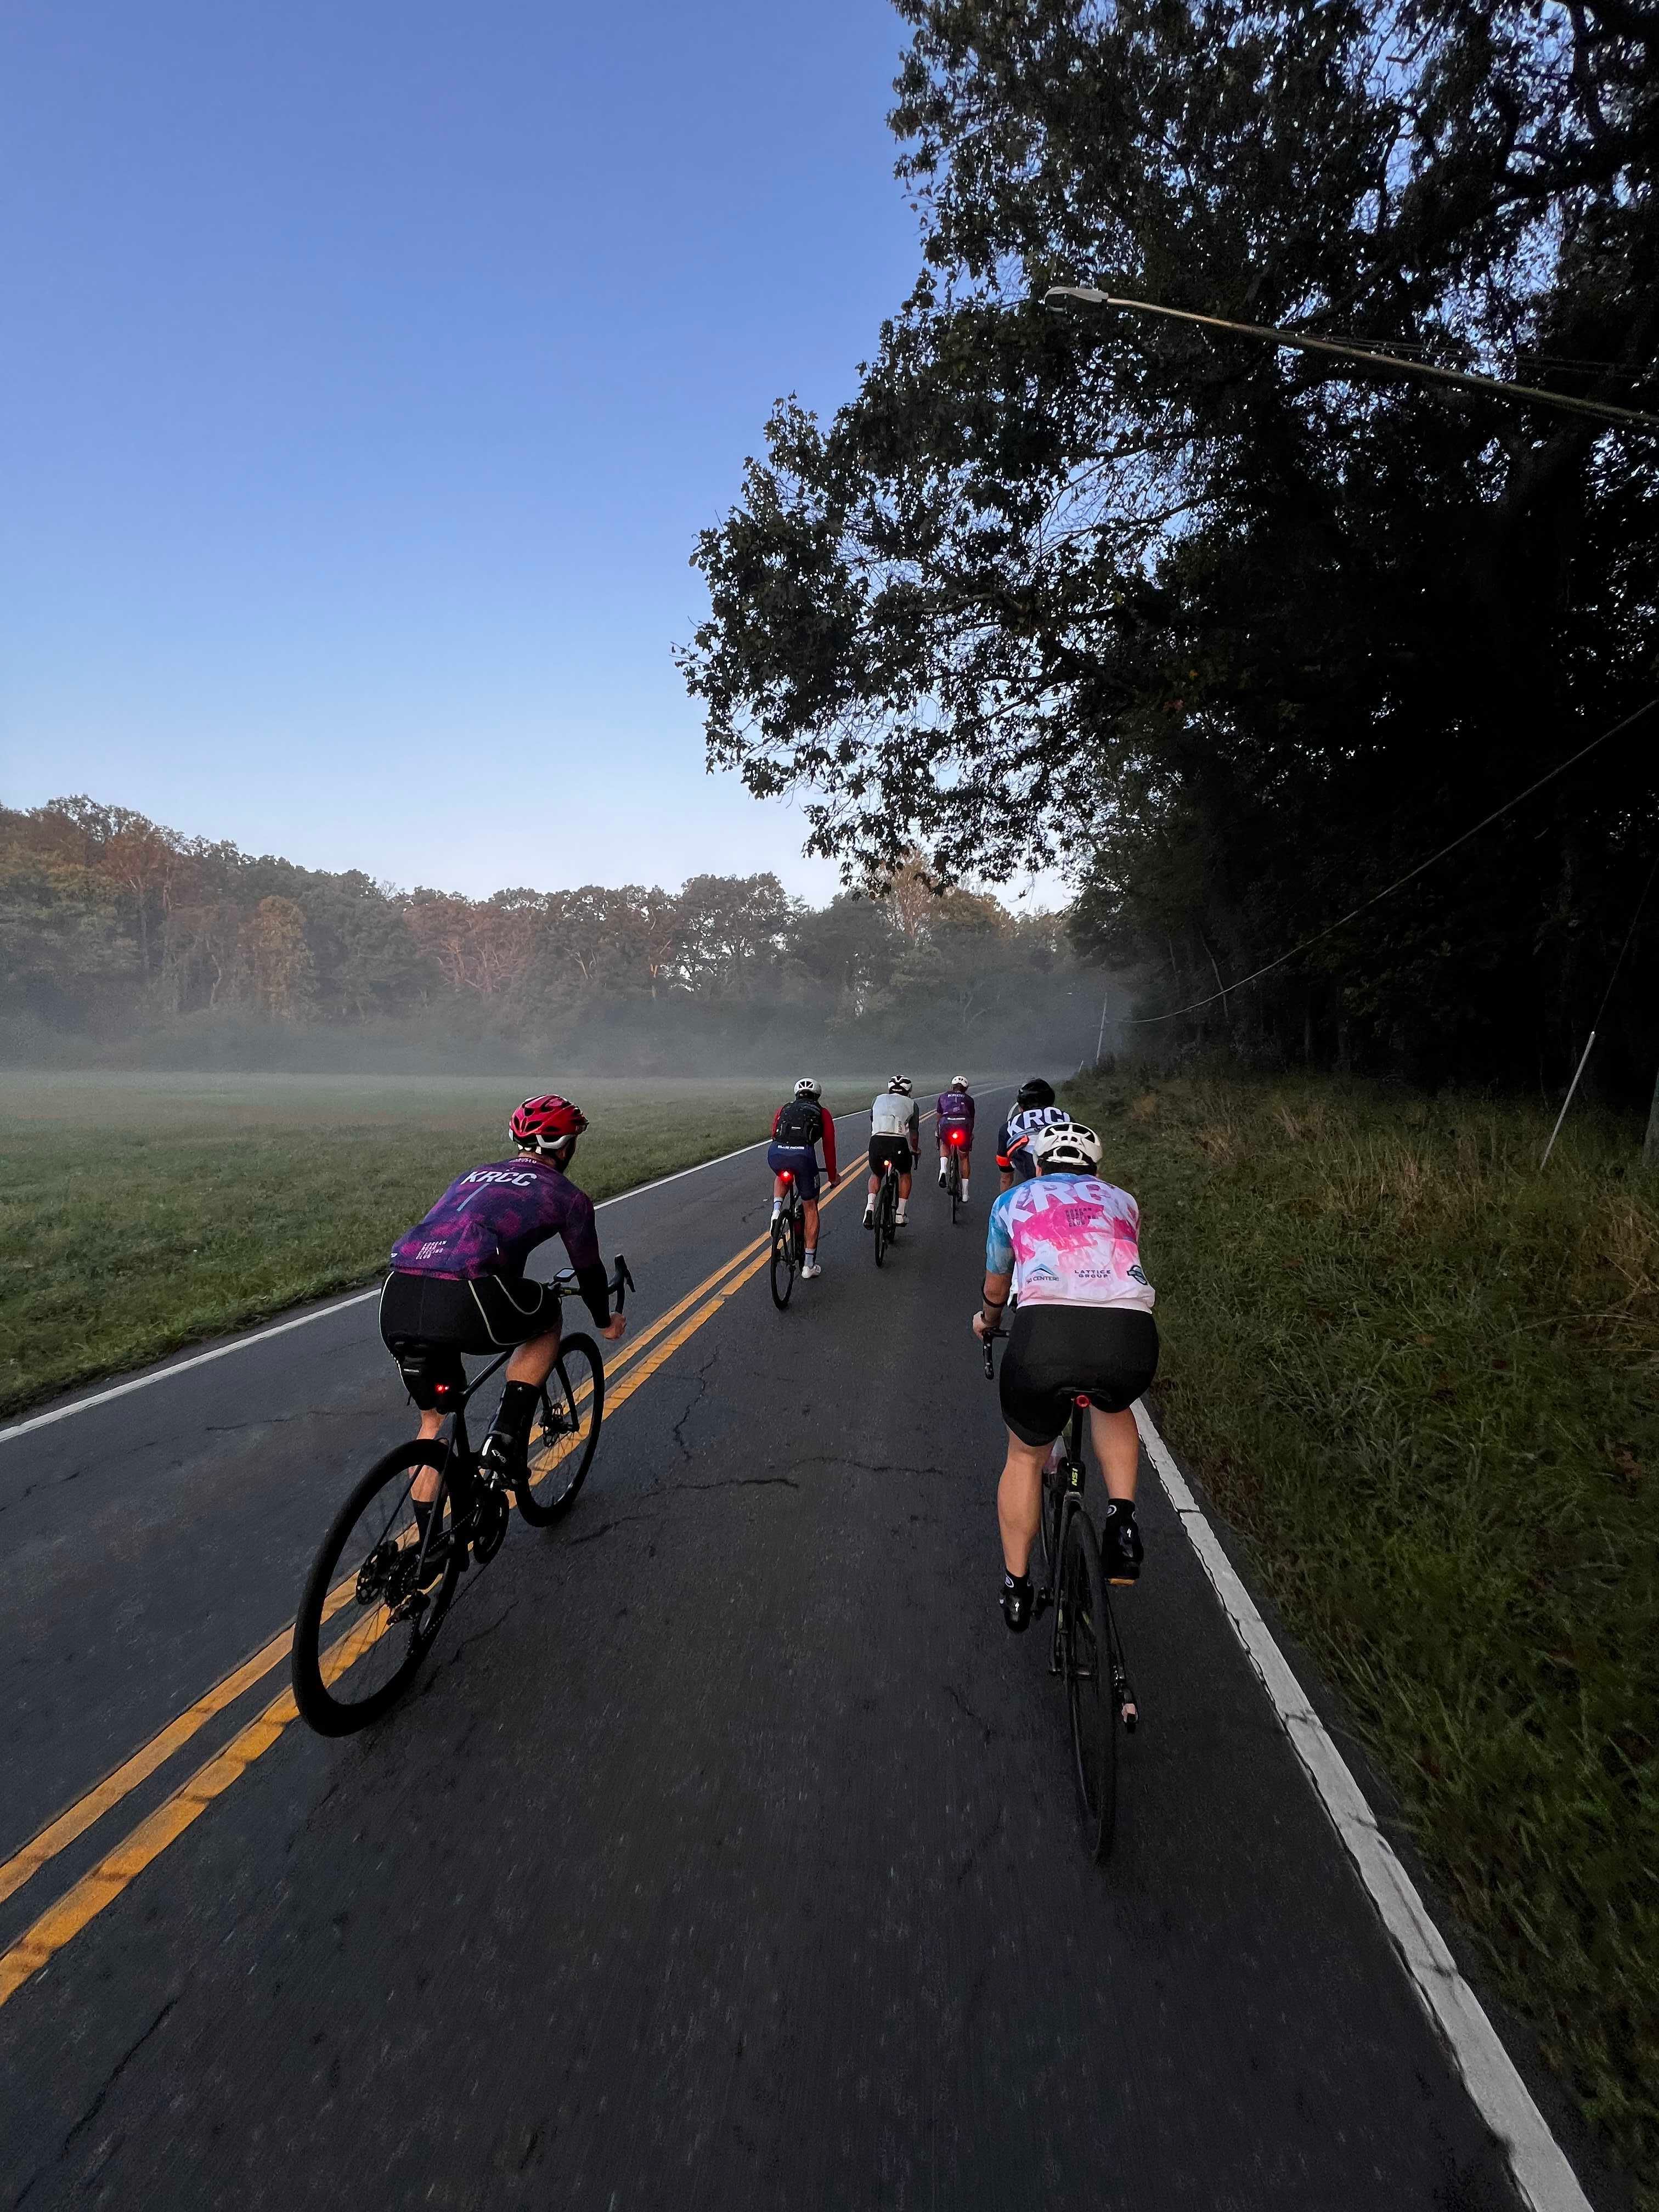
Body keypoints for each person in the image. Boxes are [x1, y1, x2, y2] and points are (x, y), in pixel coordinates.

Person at [379, 1094, 628, 1537]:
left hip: (398, 1292)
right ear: (567, 1148)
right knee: (547, 1315)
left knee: (434, 1424)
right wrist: (604, 1321)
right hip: (468, 1295)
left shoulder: (470, 1176)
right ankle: (509, 1440)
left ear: (518, 1140)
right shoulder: (567, 1196)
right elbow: (588, 1270)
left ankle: (428, 1551)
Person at [972, 1118, 1159, 1632]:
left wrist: (987, 1321)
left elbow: (997, 1282)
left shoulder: (1013, 1202)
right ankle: (1122, 1523)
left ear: (1038, 1162)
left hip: (1045, 1334)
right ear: (1095, 1166)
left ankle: (1017, 1587)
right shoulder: (1124, 1201)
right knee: (1113, 1403)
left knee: (1025, 1455)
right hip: (1129, 1335)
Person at [767, 1077, 838, 1279]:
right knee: (810, 1207)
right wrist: (832, 1177)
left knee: (782, 1173)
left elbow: (775, 1133)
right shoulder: (822, 1113)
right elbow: (829, 1147)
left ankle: (776, 1210)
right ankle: (808, 1266)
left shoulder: (785, 1109)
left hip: (776, 1153)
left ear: (797, 1095)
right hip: (804, 1157)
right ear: (817, 1096)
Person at [994, 1075, 1070, 1190]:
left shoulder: (1008, 1127)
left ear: (1020, 1107)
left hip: (1029, 1177)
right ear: (1052, 1103)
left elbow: (1006, 1177)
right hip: (1065, 1177)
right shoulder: (1065, 1117)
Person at [865, 1075, 920, 1229]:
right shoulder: (912, 1104)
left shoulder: (876, 1100)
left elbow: (873, 1119)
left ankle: (870, 1207)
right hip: (898, 1143)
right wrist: (915, 1149)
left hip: (876, 1141)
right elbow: (914, 1133)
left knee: (876, 1174)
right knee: (905, 1172)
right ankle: (900, 1214)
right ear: (908, 1091)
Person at [935, 1075, 975, 1205]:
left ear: (952, 1086)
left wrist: (938, 1132)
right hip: (964, 1124)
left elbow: (938, 1117)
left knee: (945, 1142)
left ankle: (943, 1170)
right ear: (965, 1089)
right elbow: (972, 1119)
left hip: (947, 1123)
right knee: (964, 1157)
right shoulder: (969, 1099)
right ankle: (965, 1193)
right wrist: (971, 1134)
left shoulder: (943, 1097)